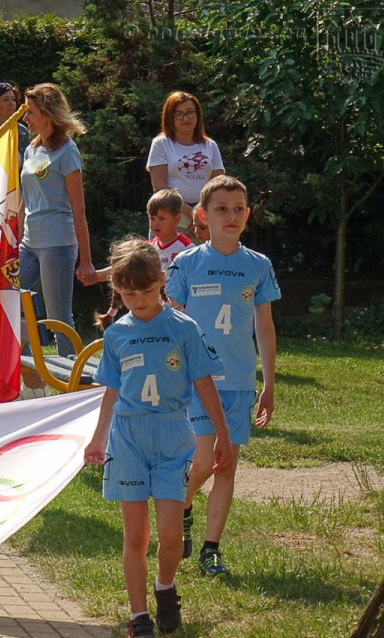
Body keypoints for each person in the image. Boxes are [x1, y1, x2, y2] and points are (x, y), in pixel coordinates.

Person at [84, 237, 231, 638]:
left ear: (162, 282)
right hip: (128, 439)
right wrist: (98, 439)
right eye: (128, 293)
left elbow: (204, 383)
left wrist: (220, 433)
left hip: (172, 436)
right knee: (136, 536)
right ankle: (138, 615)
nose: (138, 300)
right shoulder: (117, 335)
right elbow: (111, 392)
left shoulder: (183, 328)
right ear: (117, 289)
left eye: (146, 291)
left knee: (170, 535)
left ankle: (165, 585)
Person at [166, 175, 279, 576]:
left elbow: (264, 326)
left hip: (239, 383)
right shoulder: (187, 263)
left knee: (226, 463)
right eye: (221, 209)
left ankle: (211, 549)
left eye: (237, 209)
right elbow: (173, 321)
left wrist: (268, 384)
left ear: (247, 215)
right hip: (197, 382)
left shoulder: (258, 265)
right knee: (202, 461)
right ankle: (182, 507)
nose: (230, 216)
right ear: (202, 216)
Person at [18, 83, 98, 363]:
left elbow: (79, 209)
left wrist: (85, 261)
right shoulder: (31, 149)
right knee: (7, 300)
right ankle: (29, 370)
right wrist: (14, 236)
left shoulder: (67, 152)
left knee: (58, 318)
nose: (26, 118)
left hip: (58, 244)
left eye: (31, 112)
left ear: (48, 115)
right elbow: (25, 199)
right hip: (29, 243)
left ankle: (75, 384)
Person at [94, 189, 192, 326]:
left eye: (161, 219)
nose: (155, 224)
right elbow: (121, 268)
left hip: (178, 315)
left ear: (177, 219)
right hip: (151, 313)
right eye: (152, 218)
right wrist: (95, 276)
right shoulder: (147, 249)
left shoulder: (187, 248)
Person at [147, 91, 225, 238]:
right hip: (169, 222)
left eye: (190, 112)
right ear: (170, 117)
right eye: (179, 114)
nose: (186, 118)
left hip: (204, 223)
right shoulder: (161, 144)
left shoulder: (210, 145)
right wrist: (193, 213)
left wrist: (202, 215)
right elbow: (160, 188)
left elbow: (218, 185)